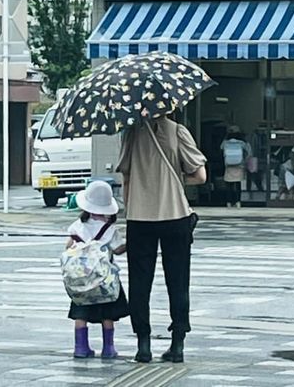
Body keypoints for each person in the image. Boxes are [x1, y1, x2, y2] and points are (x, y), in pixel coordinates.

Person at [117, 116, 207, 364]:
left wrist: (129, 214)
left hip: (139, 217)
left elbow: (126, 178)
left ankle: (143, 345)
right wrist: (176, 178)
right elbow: (200, 176)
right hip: (175, 215)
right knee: (178, 281)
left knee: (139, 282)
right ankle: (177, 343)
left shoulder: (131, 134)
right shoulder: (179, 132)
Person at [65, 180, 129, 359]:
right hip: (104, 281)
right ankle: (108, 348)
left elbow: (68, 247)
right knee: (107, 315)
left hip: (82, 280)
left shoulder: (77, 226)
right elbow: (118, 249)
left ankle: (81, 347)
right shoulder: (110, 230)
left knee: (81, 314)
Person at [221, 126, 251, 208]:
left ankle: (229, 202)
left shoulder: (226, 143)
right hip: (239, 165)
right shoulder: (241, 143)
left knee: (229, 185)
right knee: (238, 184)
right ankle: (238, 202)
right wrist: (244, 161)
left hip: (228, 166)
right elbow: (249, 151)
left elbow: (221, 148)